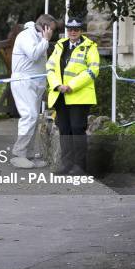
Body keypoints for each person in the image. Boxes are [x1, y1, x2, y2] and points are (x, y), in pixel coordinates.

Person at [46, 17, 99, 175]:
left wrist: (71, 85)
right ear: (66, 31)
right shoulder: (59, 45)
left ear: (81, 31)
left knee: (77, 129)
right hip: (60, 94)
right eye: (70, 29)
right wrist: (57, 85)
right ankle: (66, 164)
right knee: (64, 129)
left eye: (76, 30)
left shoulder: (90, 47)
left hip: (79, 95)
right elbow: (50, 67)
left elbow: (93, 70)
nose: (73, 32)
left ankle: (80, 166)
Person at [10, 14, 56, 169]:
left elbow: (41, 64)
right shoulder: (25, 36)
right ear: (46, 28)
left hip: (36, 82)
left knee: (34, 118)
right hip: (23, 81)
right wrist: (46, 40)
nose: (53, 33)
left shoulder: (39, 38)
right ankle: (19, 154)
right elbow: (34, 55)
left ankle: (28, 155)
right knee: (29, 115)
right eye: (52, 30)